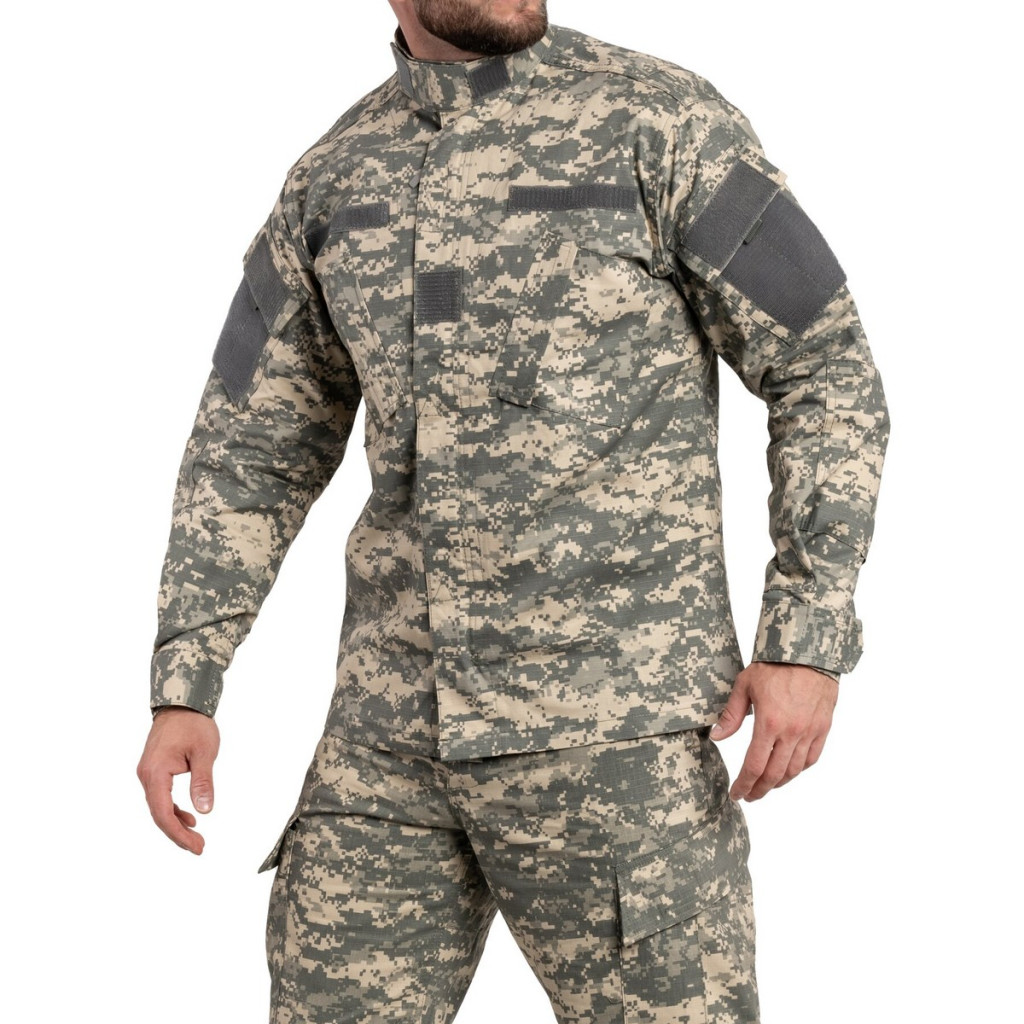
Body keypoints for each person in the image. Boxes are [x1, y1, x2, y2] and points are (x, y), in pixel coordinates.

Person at [137, 2, 890, 1021]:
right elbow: (248, 450)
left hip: (615, 742)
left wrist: (805, 637)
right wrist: (185, 685)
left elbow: (825, 367)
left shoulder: (662, 121)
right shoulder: (333, 178)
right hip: (388, 750)